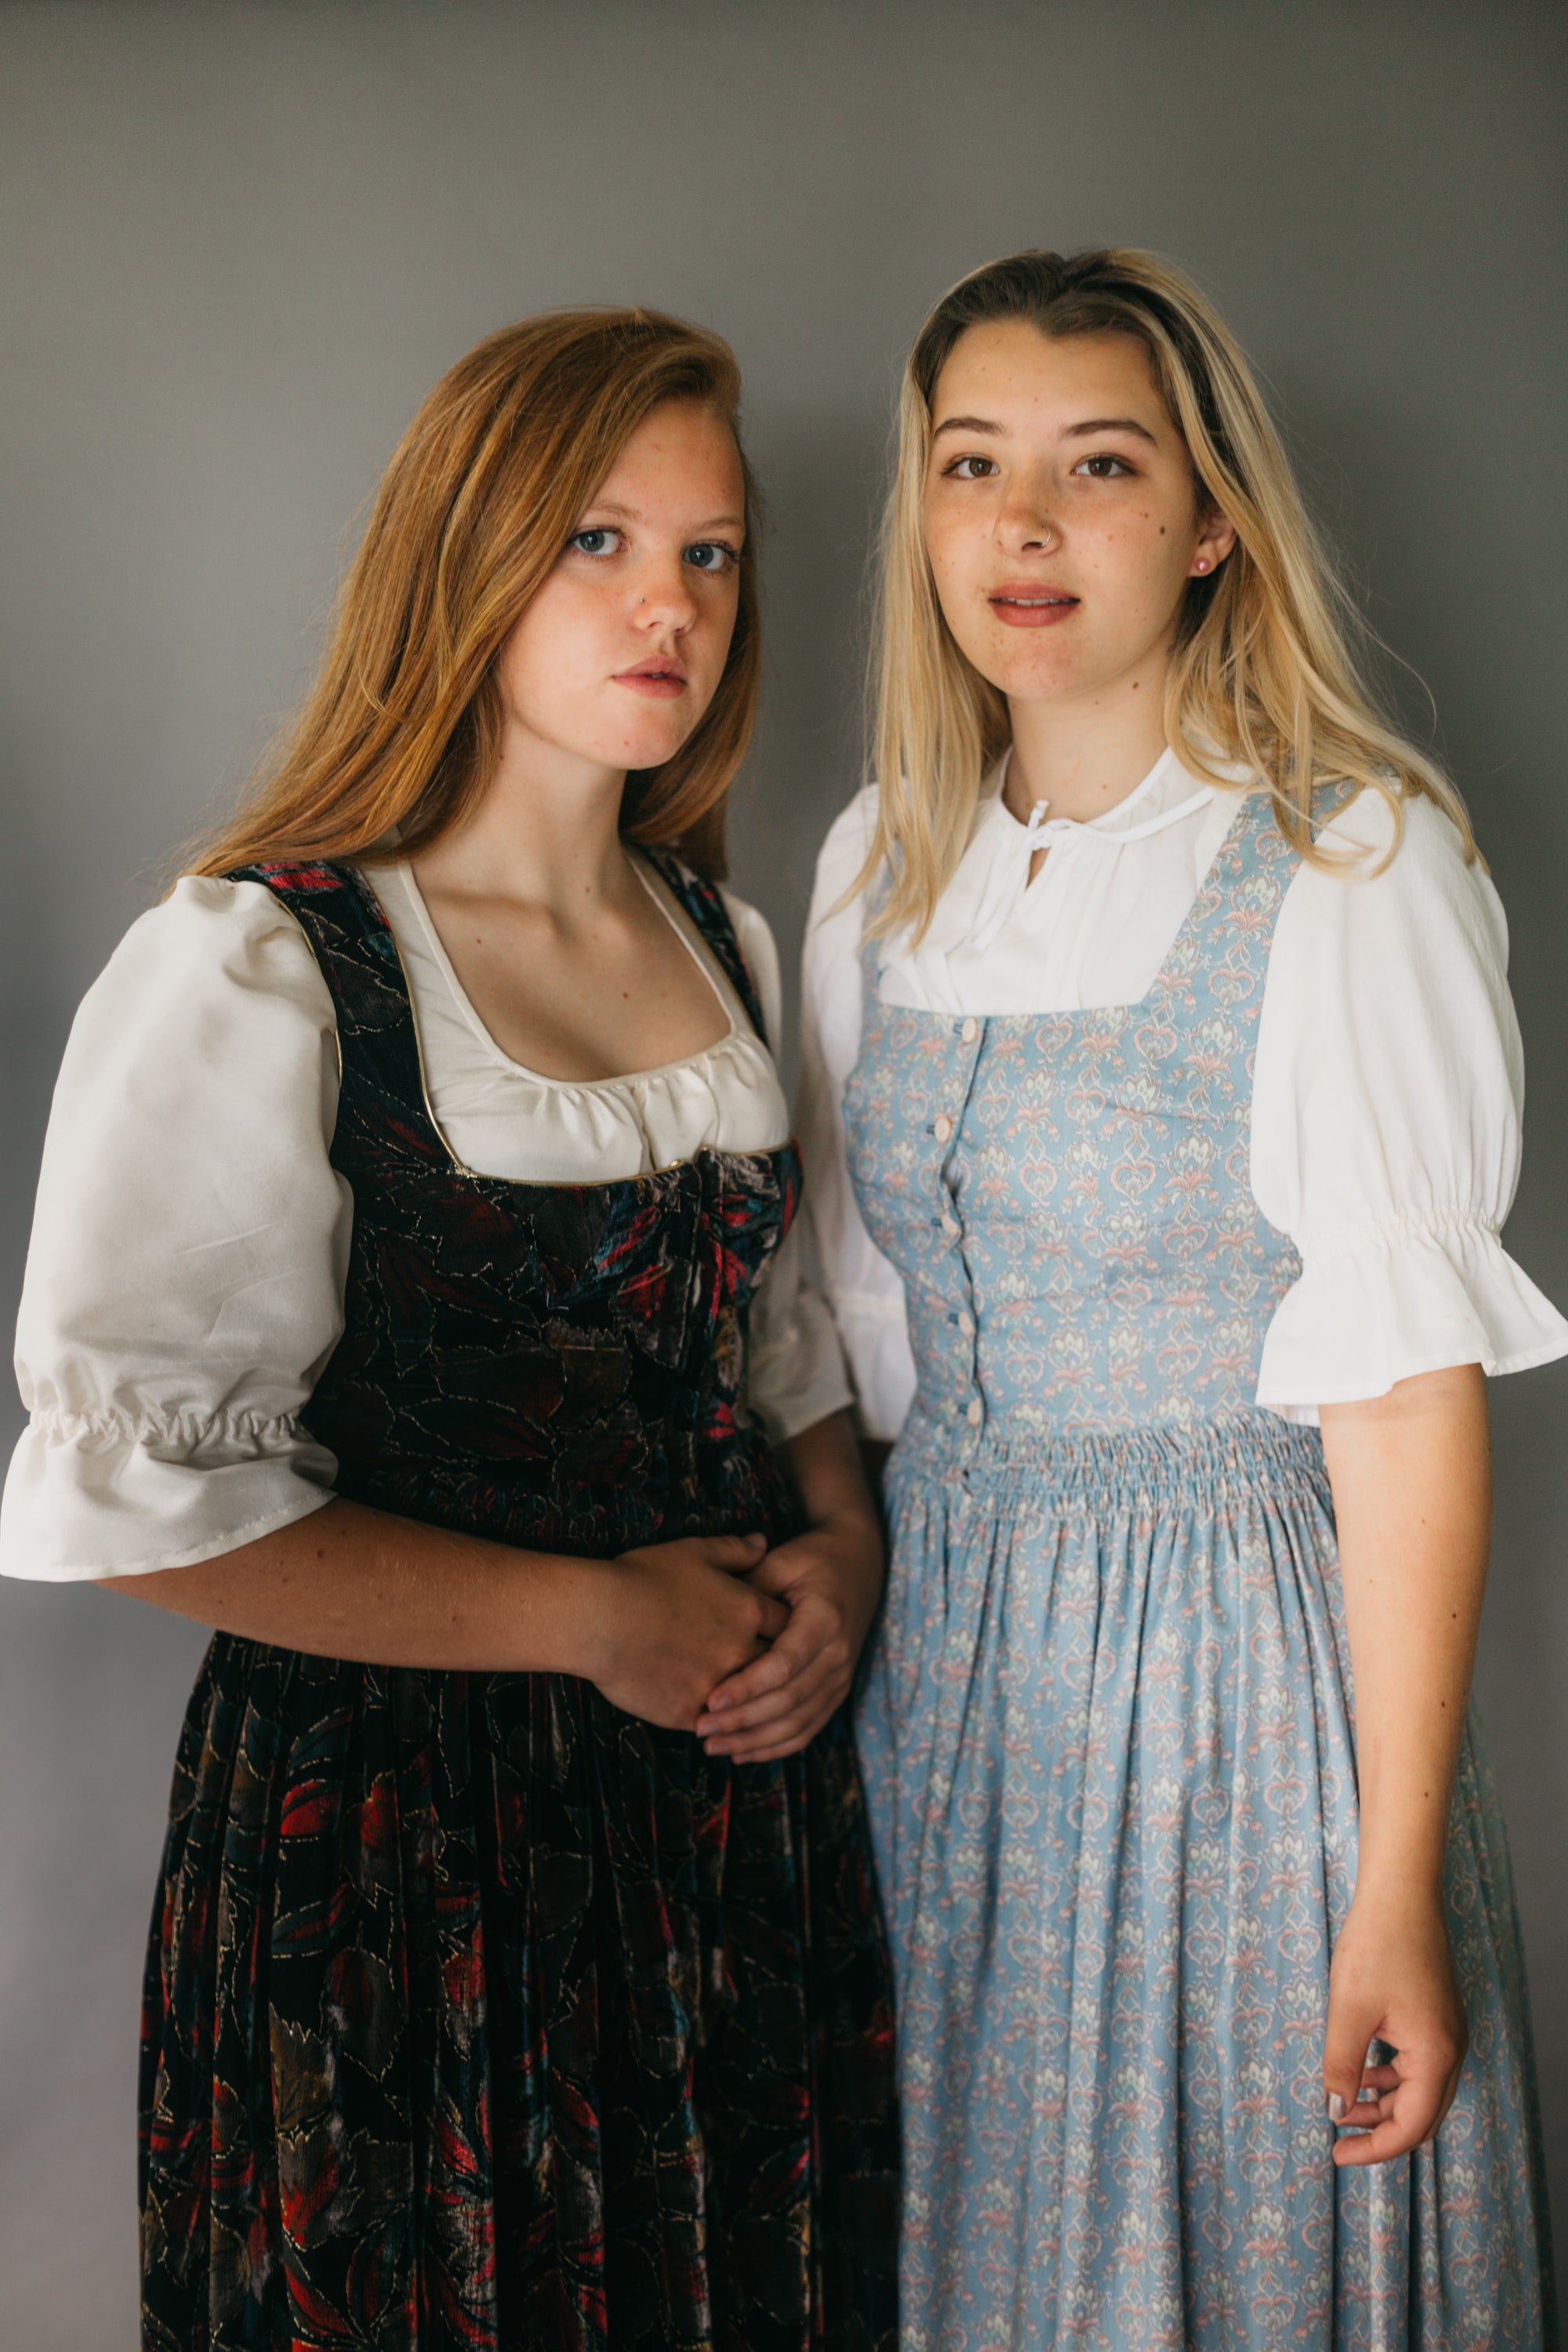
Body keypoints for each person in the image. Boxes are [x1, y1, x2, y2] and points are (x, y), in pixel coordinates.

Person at [0, 308, 898, 2351]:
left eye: (710, 552)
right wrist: (592, 1620)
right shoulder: (267, 957)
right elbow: (145, 1511)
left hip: (722, 1825)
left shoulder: (722, 939)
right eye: (598, 539)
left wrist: (841, 1551)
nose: (666, 602)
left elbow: (783, 1362)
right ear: (465, 553)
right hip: (401, 1845)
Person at [786, 248, 1563, 2348]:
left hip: (1236, 1687)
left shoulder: (1348, 862)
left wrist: (1390, 1881)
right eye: (973, 467)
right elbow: (859, 1335)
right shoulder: (876, 869)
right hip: (944, 1675)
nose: (1023, 528)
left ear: (1210, 520)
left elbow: (1405, 1402)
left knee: (1220, 2236)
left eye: (1098, 465)